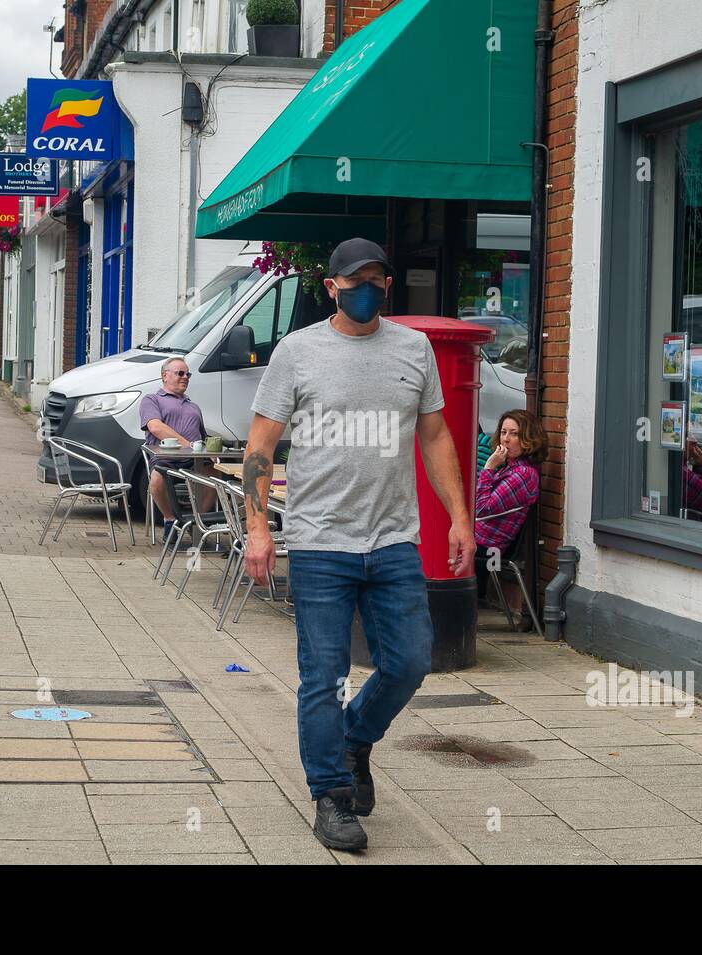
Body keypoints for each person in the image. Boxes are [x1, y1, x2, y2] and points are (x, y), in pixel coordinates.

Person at [244, 237, 474, 852]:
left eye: (377, 278)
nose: (367, 288)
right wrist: (259, 528)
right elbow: (260, 449)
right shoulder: (298, 352)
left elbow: (435, 439)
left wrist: (459, 518)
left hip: (394, 539)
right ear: (332, 287)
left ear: (389, 285)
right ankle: (332, 795)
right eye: (355, 280)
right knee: (323, 674)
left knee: (410, 662)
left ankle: (354, 740)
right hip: (320, 541)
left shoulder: (414, 349)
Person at [473, 410, 547, 621]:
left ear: (528, 439)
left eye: (514, 433)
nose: (506, 438)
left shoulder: (523, 474)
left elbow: (482, 508)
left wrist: (488, 467)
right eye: (504, 432)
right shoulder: (510, 468)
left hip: (488, 545)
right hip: (479, 536)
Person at [140, 357, 220, 537]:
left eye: (188, 374)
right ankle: (170, 519)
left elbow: (202, 437)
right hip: (165, 458)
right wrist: (188, 445)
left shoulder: (194, 407)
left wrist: (211, 451)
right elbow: (155, 427)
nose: (185, 377)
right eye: (180, 373)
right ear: (164, 376)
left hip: (195, 460)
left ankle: (194, 522)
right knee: (156, 481)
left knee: (216, 478)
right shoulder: (152, 400)